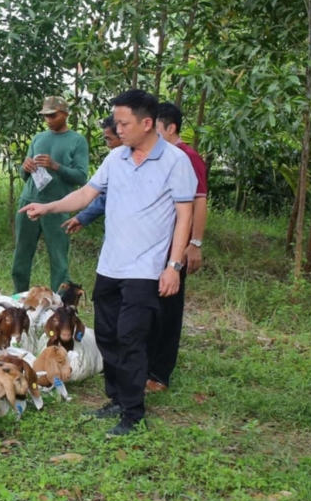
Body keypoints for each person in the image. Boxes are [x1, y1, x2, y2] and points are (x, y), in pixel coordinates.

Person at [20, 89, 196, 437]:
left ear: (147, 123)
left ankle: (133, 412)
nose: (118, 129)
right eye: (116, 122)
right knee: (110, 335)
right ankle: (116, 397)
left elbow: (185, 215)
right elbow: (86, 193)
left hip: (146, 270)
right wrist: (48, 207)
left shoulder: (176, 162)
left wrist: (173, 267)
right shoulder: (117, 159)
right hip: (110, 266)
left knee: (132, 337)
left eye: (123, 122)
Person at [147, 102, 209, 393]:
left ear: (170, 128)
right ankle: (143, 365)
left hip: (175, 247)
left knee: (168, 311)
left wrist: (193, 244)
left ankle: (160, 374)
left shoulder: (188, 157)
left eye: (156, 128)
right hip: (153, 247)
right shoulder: (157, 157)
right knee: (149, 307)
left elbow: (199, 202)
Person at [11, 96, 90, 294]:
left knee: (58, 259)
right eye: (45, 116)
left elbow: (81, 176)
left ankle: (58, 304)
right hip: (28, 203)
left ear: (65, 114)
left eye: (53, 115)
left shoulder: (77, 141)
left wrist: (55, 166)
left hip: (57, 207)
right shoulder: (38, 138)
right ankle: (19, 298)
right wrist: (26, 167)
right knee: (21, 255)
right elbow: (24, 175)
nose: (48, 120)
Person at [62, 116, 121, 234]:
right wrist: (83, 217)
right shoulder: (114, 160)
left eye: (109, 139)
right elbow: (103, 196)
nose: (108, 145)